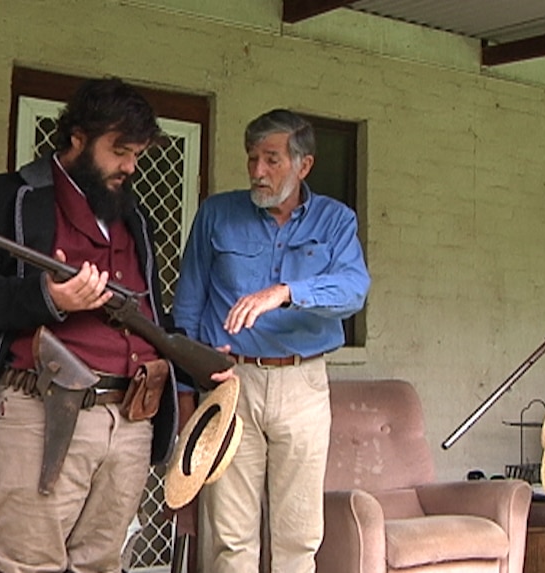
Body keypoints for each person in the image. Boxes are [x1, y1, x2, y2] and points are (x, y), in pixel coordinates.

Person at [0, 78, 228, 573]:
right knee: (24, 563)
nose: (130, 166)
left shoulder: (134, 216)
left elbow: (150, 316)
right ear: (78, 138)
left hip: (132, 417)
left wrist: (197, 364)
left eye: (136, 154)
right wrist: (46, 297)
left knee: (101, 564)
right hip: (40, 408)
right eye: (120, 151)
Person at [172, 108, 370, 572]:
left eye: (272, 159)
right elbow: (188, 308)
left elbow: (353, 289)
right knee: (229, 534)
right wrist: (186, 396)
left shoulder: (335, 221)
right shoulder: (217, 214)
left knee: (298, 537)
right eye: (253, 159)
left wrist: (286, 293)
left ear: (304, 165)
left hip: (302, 382)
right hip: (229, 381)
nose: (259, 171)